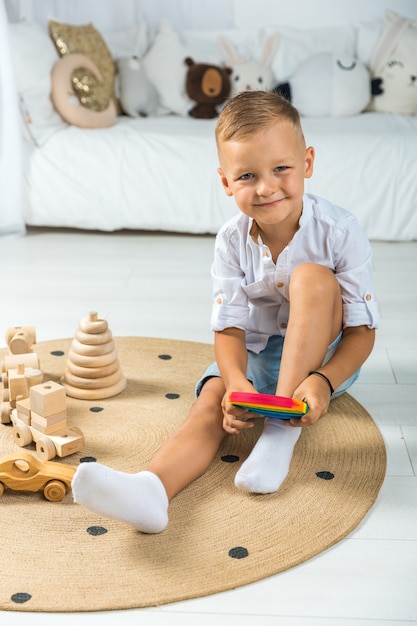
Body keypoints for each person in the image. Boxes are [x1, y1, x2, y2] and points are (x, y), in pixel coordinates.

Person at [72, 91, 379, 533]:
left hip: (324, 358)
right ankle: (153, 490)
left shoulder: (340, 231)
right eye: (248, 175)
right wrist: (236, 382)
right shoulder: (230, 240)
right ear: (226, 182)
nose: (267, 186)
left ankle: (281, 429)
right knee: (210, 402)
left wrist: (324, 380)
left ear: (307, 163)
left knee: (312, 277)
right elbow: (230, 325)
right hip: (255, 353)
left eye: (281, 169)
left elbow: (362, 332)